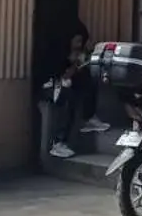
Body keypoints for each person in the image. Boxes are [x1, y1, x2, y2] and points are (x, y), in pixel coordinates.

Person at [47, 21, 110, 160]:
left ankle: (89, 118)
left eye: (81, 41)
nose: (79, 45)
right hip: (56, 87)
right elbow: (63, 76)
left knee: (89, 81)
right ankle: (58, 142)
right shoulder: (60, 54)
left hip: (72, 85)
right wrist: (75, 64)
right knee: (68, 101)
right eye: (77, 41)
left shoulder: (80, 52)